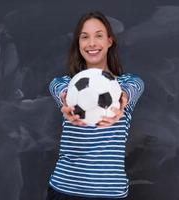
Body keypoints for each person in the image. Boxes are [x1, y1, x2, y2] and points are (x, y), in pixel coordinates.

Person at [47, 11, 144, 200]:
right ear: (79, 44)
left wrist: (121, 100)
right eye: (85, 37)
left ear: (110, 41)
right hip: (64, 191)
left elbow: (135, 87)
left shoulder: (126, 84)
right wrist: (66, 99)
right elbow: (58, 88)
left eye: (98, 35)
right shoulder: (67, 84)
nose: (91, 43)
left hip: (110, 194)